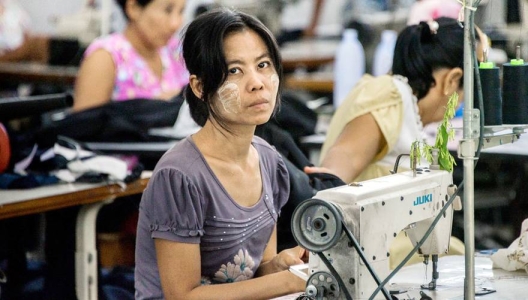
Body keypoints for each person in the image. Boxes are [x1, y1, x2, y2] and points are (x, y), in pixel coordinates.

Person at [134, 8, 307, 300]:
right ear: (200, 87)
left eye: (263, 65)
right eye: (234, 71)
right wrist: (286, 283)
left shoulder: (269, 162)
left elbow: (254, 273)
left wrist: (277, 266)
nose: (257, 82)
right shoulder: (180, 177)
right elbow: (182, 296)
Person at [305, 17, 487, 266]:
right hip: (373, 263)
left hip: (389, 258)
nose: (463, 101)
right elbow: (332, 177)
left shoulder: (402, 103)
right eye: (466, 89)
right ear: (452, 80)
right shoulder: (389, 97)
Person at [72, 0, 189, 112]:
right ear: (133, 8)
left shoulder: (176, 52)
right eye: (167, 10)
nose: (176, 24)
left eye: (181, 11)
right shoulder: (106, 57)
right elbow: (84, 125)